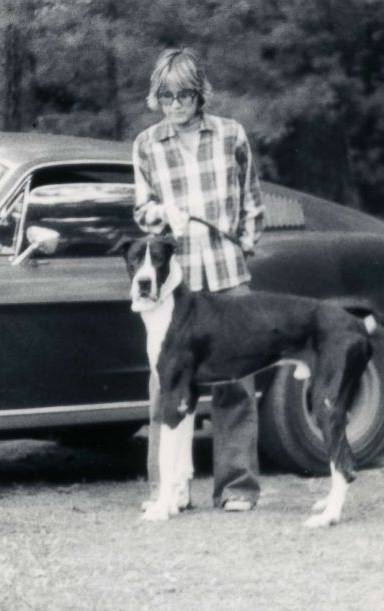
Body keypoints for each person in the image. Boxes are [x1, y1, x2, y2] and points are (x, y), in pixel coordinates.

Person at [132, 47, 264, 512]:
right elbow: (141, 209)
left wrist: (247, 238)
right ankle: (168, 490)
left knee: (236, 384)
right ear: (157, 97)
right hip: (177, 288)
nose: (175, 104)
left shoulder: (232, 135)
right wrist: (160, 214)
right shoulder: (147, 144)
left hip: (228, 276)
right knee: (167, 387)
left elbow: (251, 198)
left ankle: (237, 487)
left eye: (184, 94)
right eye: (166, 96)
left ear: (200, 93)